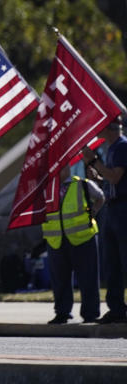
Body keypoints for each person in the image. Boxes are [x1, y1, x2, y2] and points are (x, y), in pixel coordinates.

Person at [43, 164, 105, 324]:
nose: (57, 172)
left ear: (68, 168)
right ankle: (62, 313)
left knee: (88, 278)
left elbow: (100, 197)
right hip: (56, 240)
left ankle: (90, 313)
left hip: (83, 237)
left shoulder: (81, 184)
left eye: (60, 168)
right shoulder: (47, 189)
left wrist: (93, 212)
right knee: (60, 280)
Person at [81, 115, 127, 324]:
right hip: (112, 207)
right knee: (113, 262)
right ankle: (116, 308)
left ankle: (118, 307)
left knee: (123, 260)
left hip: (123, 208)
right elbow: (110, 179)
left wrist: (93, 161)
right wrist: (97, 176)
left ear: (109, 129)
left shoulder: (122, 147)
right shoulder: (113, 149)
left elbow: (116, 176)